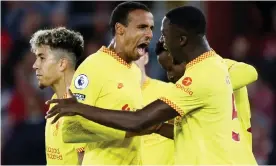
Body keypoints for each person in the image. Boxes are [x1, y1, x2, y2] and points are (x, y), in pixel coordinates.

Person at [46, 6, 251, 164]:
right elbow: (191, 130)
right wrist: (157, 127)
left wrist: (79, 108)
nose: (156, 39)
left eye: (163, 34)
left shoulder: (200, 76)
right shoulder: (214, 66)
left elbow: (139, 120)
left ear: (181, 39)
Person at [46, 2, 154, 165]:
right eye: (142, 27)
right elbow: (71, 130)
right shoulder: (92, 67)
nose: (149, 34)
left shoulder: (134, 71)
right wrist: (128, 129)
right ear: (120, 29)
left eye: (151, 28)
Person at [156, 43, 258, 164]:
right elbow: (185, 133)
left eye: (172, 67)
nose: (170, 75)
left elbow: (250, 72)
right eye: (166, 70)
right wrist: (158, 127)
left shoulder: (218, 67)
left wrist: (206, 87)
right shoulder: (182, 91)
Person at [30, 27, 85, 165]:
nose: (35, 65)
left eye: (42, 58)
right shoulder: (56, 102)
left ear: (62, 64)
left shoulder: (79, 106)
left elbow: (85, 161)